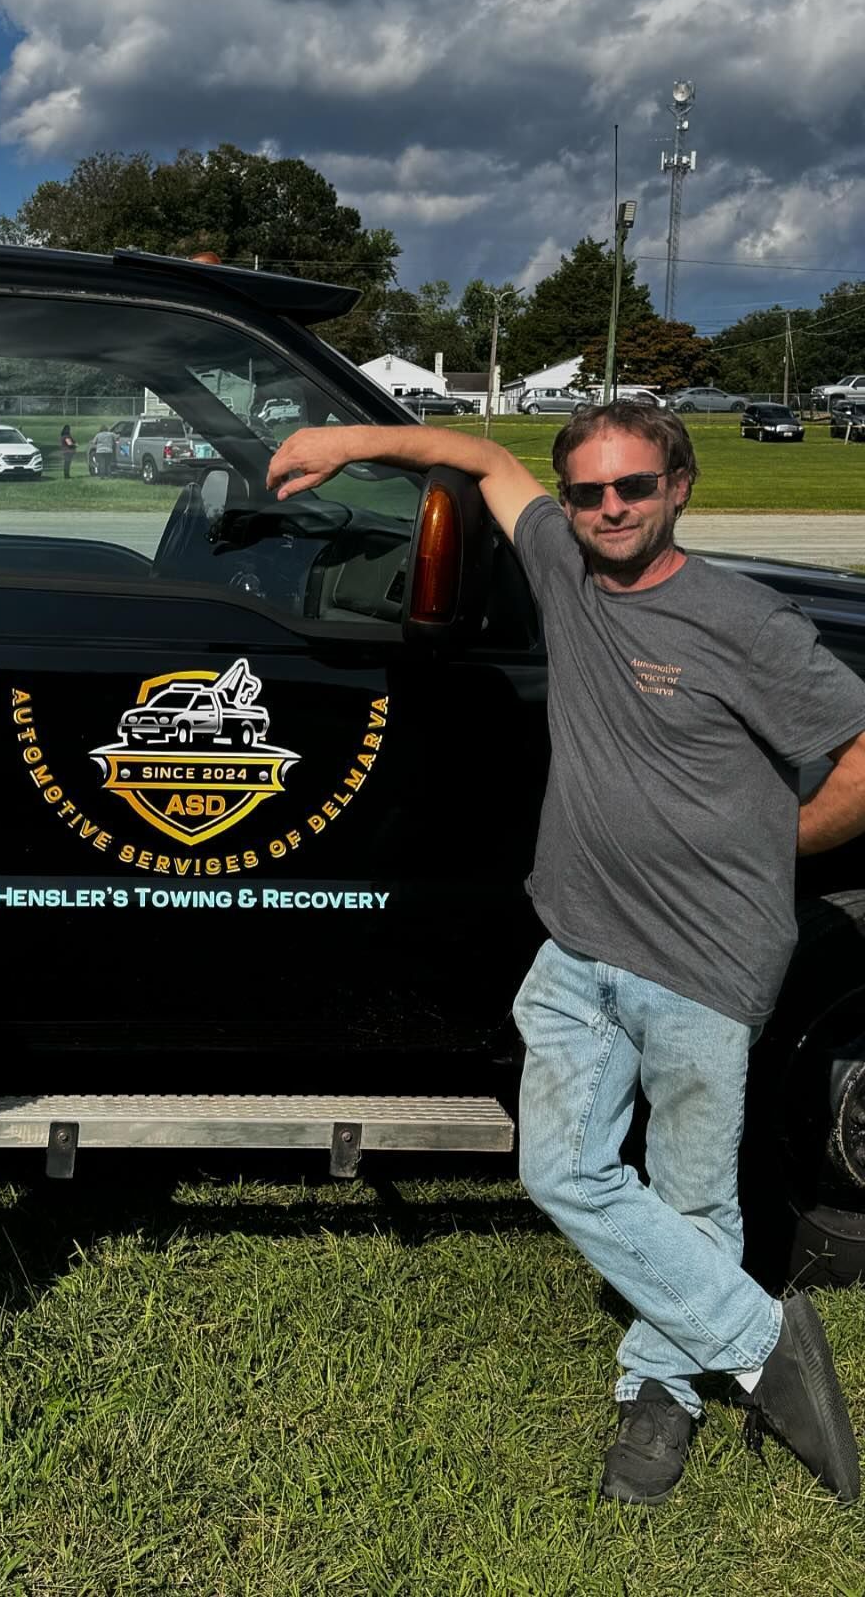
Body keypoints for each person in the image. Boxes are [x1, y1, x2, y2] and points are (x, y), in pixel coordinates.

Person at [268, 400, 865, 1506]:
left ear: (680, 487)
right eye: (588, 492)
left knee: (693, 1198)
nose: (609, 509)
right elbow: (481, 455)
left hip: (706, 958)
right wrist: (349, 444)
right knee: (561, 1168)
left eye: (634, 487)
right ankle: (760, 1339)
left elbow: (861, 752)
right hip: (579, 942)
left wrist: (770, 843)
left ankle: (660, 1394)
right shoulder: (562, 565)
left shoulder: (744, 620)